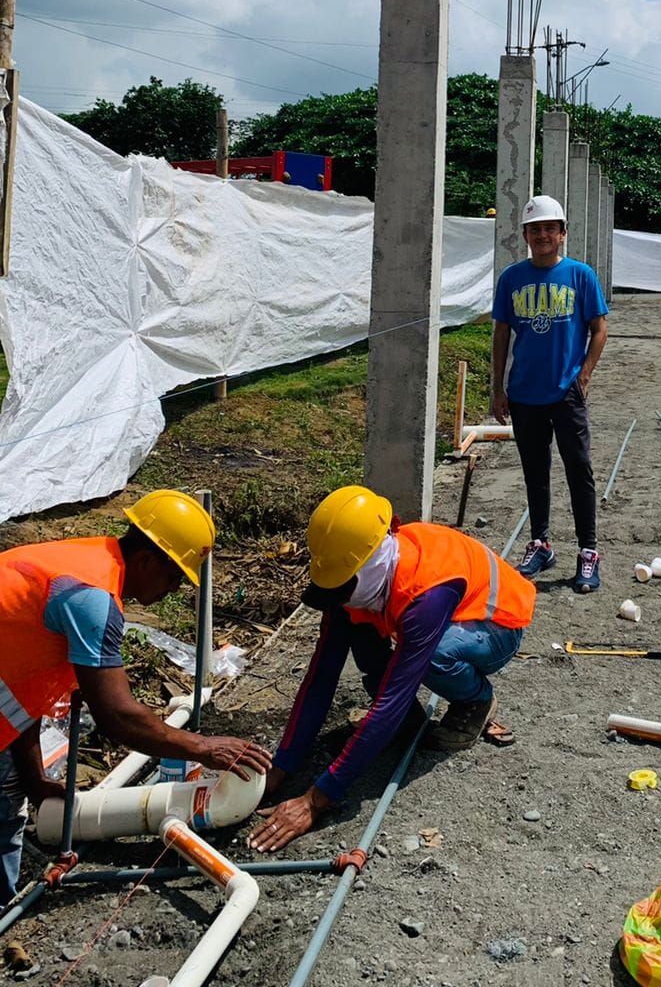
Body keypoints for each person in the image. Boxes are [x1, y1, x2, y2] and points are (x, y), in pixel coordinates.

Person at [0, 490, 272, 904]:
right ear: (146, 560)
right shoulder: (91, 597)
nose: (175, 588)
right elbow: (118, 716)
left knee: (6, 808)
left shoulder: (85, 561)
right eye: (175, 575)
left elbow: (18, 683)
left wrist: (34, 777)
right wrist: (204, 748)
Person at [249, 486, 535, 854]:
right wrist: (281, 764)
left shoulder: (427, 593)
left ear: (368, 564)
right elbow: (321, 676)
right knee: (363, 636)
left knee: (435, 657)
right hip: (447, 613)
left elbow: (390, 701)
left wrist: (315, 801)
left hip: (496, 626)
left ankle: (476, 701)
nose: (338, 598)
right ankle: (409, 725)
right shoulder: (353, 579)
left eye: (342, 587)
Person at [491, 193, 609, 592]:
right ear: (525, 235)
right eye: (534, 229)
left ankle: (588, 550)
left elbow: (599, 329)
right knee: (535, 471)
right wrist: (498, 388)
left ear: (562, 234)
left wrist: (584, 376)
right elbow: (501, 334)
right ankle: (540, 543)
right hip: (524, 393)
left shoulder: (580, 275)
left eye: (549, 229)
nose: (542, 235)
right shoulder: (511, 279)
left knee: (579, 469)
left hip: (566, 393)